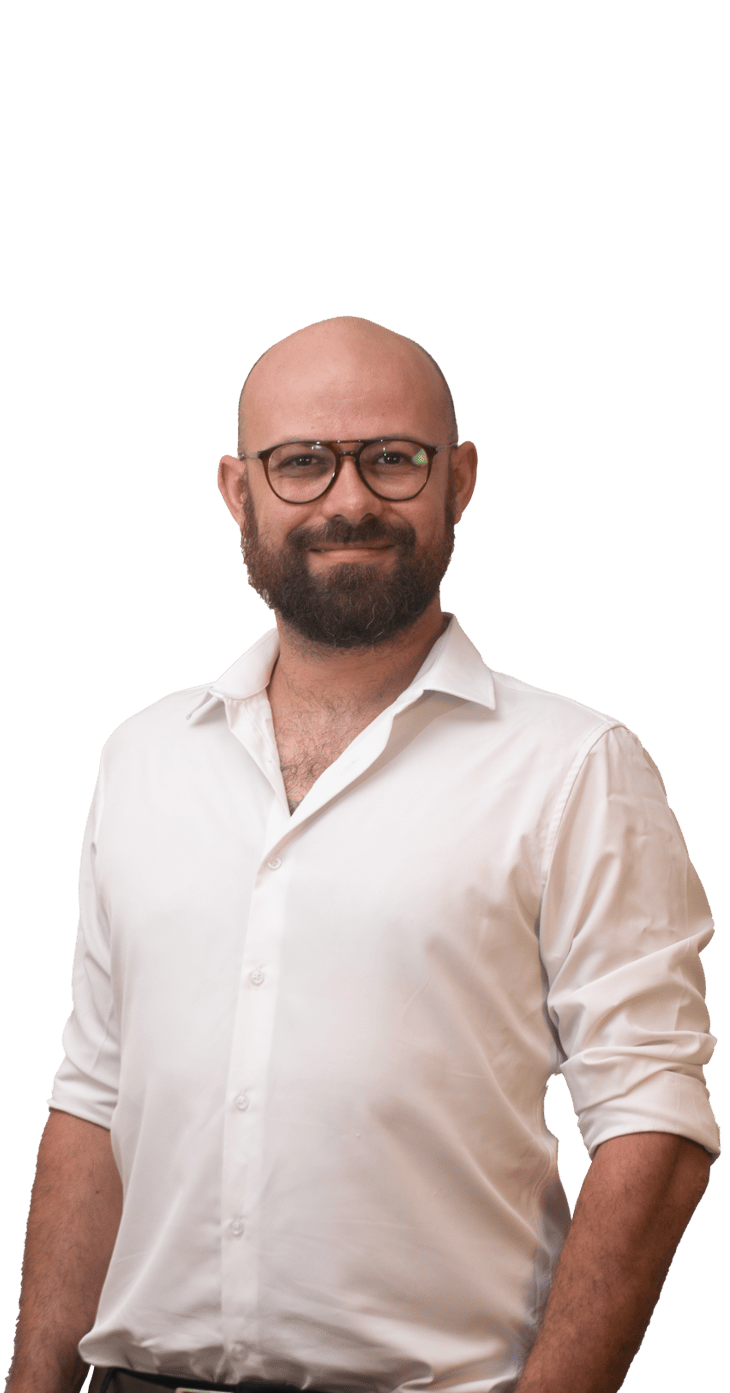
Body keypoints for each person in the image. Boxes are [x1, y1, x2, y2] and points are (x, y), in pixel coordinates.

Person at [6, 316, 719, 1393]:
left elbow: (653, 1122)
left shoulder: (575, 767)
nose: (348, 501)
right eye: (300, 462)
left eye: (392, 457)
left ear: (458, 479)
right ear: (237, 490)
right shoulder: (143, 757)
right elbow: (95, 1094)